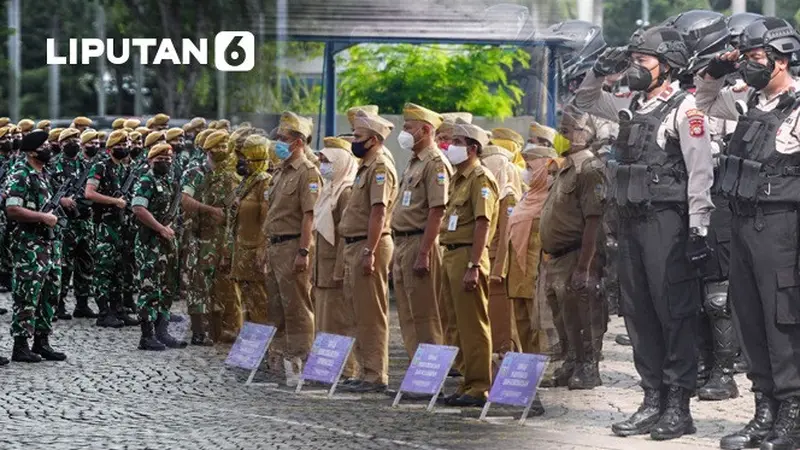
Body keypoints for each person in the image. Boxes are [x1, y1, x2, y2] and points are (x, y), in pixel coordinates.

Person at [576, 26, 714, 440]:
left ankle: (678, 406)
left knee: (673, 313)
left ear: (667, 66)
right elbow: (584, 101)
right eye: (633, 60)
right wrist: (600, 70)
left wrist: (698, 227)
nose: (635, 67)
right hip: (632, 223)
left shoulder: (685, 109)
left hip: (667, 224)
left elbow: (700, 172)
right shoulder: (630, 105)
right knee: (638, 314)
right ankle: (651, 398)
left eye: (643, 61)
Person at [695, 17, 800, 450]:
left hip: (782, 229)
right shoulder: (744, 102)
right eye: (749, 59)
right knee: (749, 319)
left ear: (781, 60)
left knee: (782, 323)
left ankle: (791, 418)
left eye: (757, 58)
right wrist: (723, 65)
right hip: (741, 223)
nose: (750, 66)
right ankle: (764, 412)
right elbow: (701, 98)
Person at [539, 107, 606, 391]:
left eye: (566, 131)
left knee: (584, 312)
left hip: (576, 253)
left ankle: (588, 367)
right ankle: (570, 362)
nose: (560, 136)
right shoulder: (565, 166)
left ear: (584, 134)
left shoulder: (589, 169)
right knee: (562, 315)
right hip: (556, 258)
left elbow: (594, 219)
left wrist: (584, 266)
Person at [436, 119, 498, 408]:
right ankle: (466, 380)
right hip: (451, 253)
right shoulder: (458, 178)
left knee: (473, 324)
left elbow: (483, 224)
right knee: (457, 324)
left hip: (467, 257)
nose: (451, 147)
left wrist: (474, 265)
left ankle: (480, 386)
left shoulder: (480, 178)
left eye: (458, 143)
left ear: (472, 149)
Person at [338, 110, 397, 394]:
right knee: (357, 312)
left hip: (368, 244)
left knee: (371, 314)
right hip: (356, 245)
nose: (354, 141)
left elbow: (379, 212)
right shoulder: (366, 165)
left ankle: (376, 374)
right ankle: (364, 370)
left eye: (359, 137)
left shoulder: (380, 166)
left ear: (373, 140)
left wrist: (370, 251)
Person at [265, 112, 321, 387]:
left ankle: (301, 358)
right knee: (277, 306)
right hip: (275, 246)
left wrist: (303, 251)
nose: (278, 143)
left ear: (298, 142)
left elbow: (309, 215)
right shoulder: (280, 171)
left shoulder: (307, 172)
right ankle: (279, 359)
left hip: (292, 246)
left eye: (283, 139)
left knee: (298, 308)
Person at [391, 103, 448, 360]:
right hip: (402, 241)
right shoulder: (414, 162)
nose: (403, 132)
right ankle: (417, 372)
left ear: (425, 130)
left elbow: (437, 210)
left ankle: (430, 372)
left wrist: (424, 252)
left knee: (425, 315)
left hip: (419, 241)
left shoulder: (434, 163)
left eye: (408, 127)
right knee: (407, 313)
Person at [5, 130, 66, 363]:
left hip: (49, 244)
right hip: (29, 245)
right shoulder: (21, 174)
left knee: (50, 293)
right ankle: (20, 346)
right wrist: (42, 217)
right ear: (32, 151)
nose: (49, 148)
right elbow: (12, 209)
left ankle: (42, 341)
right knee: (27, 294)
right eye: (44, 145)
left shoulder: (43, 173)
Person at [180, 130, 233, 345]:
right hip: (198, 237)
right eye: (217, 147)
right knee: (198, 283)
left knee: (219, 284)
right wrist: (210, 210)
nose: (221, 151)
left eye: (224, 146)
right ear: (207, 150)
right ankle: (198, 331)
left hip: (221, 237)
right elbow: (185, 200)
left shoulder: (228, 174)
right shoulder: (195, 172)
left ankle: (217, 329)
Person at [131, 143, 185, 350]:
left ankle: (162, 331)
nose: (165, 162)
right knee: (149, 288)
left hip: (166, 243)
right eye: (160, 158)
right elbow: (138, 208)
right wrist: (160, 228)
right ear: (150, 160)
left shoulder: (169, 182)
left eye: (168, 158)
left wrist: (168, 227)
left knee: (167, 287)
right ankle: (147, 335)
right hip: (150, 243)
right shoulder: (147, 180)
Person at [313, 137, 358, 380]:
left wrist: (340, 269)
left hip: (335, 270)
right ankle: (325, 367)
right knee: (324, 321)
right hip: (322, 267)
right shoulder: (329, 189)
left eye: (327, 160)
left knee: (339, 322)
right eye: (321, 160)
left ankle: (345, 369)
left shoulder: (346, 192)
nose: (322, 165)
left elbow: (344, 236)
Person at [507, 144, 557, 356]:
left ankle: (539, 365)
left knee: (538, 320)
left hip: (538, 270)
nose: (525, 172)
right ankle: (524, 362)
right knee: (521, 317)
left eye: (530, 167)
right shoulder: (526, 197)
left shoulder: (551, 200)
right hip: (519, 270)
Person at [85, 130, 135, 329]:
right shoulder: (100, 166)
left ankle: (118, 309)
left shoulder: (123, 169)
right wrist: (115, 201)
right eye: (119, 145)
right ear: (110, 149)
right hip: (104, 226)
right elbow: (89, 193)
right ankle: (104, 312)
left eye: (126, 144)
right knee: (103, 270)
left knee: (118, 269)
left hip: (120, 225)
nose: (123, 148)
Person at [483, 129, 525, 360]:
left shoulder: (508, 196)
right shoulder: (495, 194)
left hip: (500, 268)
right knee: (493, 318)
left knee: (503, 323)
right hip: (488, 262)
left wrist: (499, 269)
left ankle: (507, 358)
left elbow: (507, 236)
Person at [53, 128, 100, 321]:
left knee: (86, 262)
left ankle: (82, 303)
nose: (73, 143)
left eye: (76, 140)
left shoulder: (87, 165)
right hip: (65, 222)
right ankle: (59, 303)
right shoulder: (54, 164)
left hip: (84, 220)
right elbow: (48, 190)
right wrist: (62, 200)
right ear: (62, 144)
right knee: (64, 265)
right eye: (69, 140)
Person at [229, 134, 272, 331]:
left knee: (259, 301)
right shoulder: (246, 182)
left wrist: (262, 249)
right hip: (241, 249)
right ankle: (248, 346)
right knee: (246, 300)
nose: (241, 160)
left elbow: (266, 219)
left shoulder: (264, 182)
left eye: (245, 156)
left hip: (255, 250)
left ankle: (263, 347)